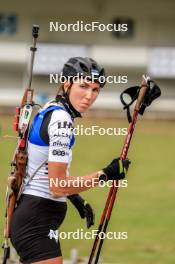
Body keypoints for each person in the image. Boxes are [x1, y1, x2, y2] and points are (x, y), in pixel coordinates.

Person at [10, 57, 130, 264]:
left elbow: (46, 167)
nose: (89, 96)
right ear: (67, 84)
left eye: (95, 90)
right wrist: (106, 174)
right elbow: (57, 187)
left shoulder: (52, 108)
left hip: (36, 218)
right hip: (36, 222)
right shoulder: (61, 121)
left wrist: (75, 198)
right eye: (83, 86)